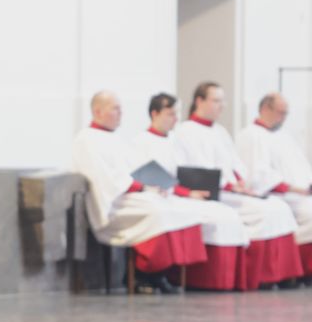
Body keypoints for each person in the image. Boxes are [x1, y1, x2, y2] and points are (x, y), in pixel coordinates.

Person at [72, 92, 207, 293]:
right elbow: (104, 179)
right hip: (112, 203)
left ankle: (163, 274)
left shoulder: (115, 138)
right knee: (157, 212)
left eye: (121, 109)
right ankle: (144, 274)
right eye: (115, 108)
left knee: (173, 206)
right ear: (97, 111)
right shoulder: (87, 139)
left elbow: (136, 168)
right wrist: (141, 187)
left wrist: (153, 185)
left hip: (128, 196)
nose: (121, 114)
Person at [175, 82, 302, 288]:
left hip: (232, 190)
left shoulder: (220, 131)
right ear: (199, 101)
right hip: (211, 193)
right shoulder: (185, 131)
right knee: (261, 212)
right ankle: (255, 278)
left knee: (277, 207)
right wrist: (228, 185)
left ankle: (274, 276)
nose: (221, 105)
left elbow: (234, 163)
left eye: (222, 101)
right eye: (216, 100)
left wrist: (240, 180)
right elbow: (192, 170)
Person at [129, 92, 249, 291]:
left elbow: (183, 171)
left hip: (175, 193)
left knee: (218, 213)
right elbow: (144, 174)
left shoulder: (174, 140)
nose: (176, 119)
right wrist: (181, 192)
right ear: (154, 113)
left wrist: (189, 191)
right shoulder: (141, 141)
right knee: (170, 213)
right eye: (170, 114)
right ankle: (151, 273)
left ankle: (174, 274)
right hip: (154, 195)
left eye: (176, 114)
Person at [236, 92, 312, 277]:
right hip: (279, 194)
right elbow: (258, 175)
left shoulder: (284, 136)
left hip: (300, 193)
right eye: (280, 112)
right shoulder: (251, 135)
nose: (283, 117)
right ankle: (303, 270)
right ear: (265, 109)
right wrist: (295, 189)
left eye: (286, 113)